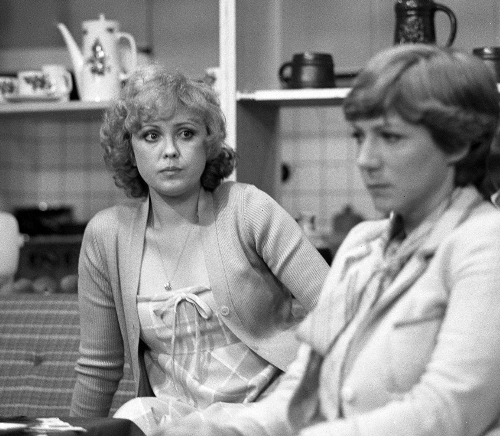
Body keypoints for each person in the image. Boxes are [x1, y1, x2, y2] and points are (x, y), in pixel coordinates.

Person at [155, 44, 500, 436]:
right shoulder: (363, 246)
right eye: (360, 136)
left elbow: (445, 412)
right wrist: (230, 430)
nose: (365, 159)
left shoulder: (492, 243)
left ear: (458, 144)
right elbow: (301, 392)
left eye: (391, 137)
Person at [69, 65, 330, 432]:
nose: (170, 151)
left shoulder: (247, 209)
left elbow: (337, 308)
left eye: (186, 133)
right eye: (151, 135)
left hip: (270, 409)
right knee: (133, 415)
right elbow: (98, 367)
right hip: (178, 418)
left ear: (208, 143)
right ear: (129, 147)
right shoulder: (106, 235)